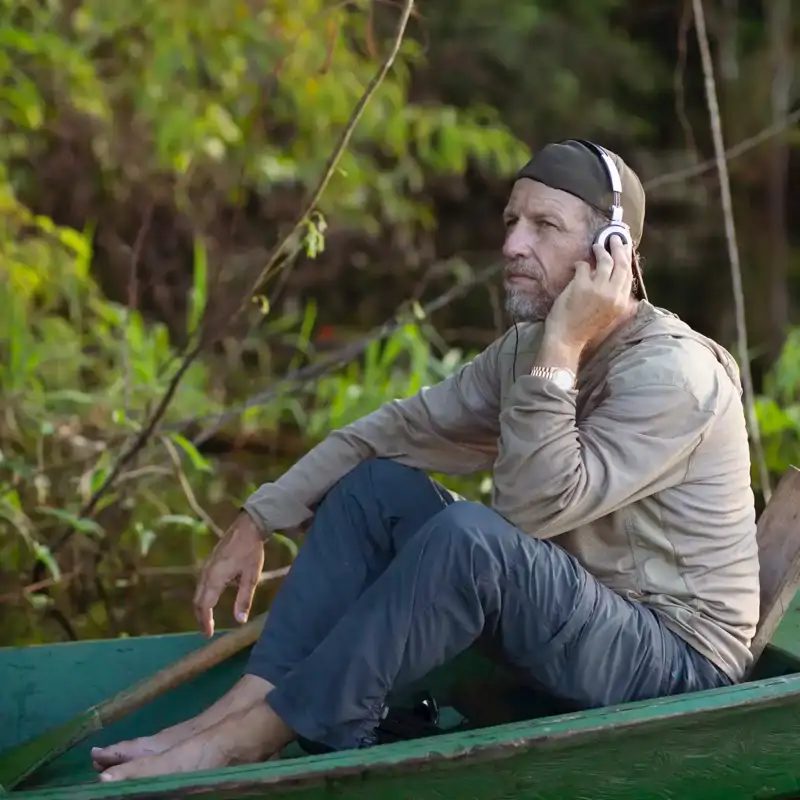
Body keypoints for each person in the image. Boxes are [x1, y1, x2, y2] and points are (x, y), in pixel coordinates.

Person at [91, 139, 760, 782]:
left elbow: (527, 511)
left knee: (474, 540)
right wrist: (258, 518)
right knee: (376, 488)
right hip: (577, 619)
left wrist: (560, 349)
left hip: (675, 660)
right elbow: (392, 431)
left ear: (611, 251)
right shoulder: (523, 351)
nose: (511, 245)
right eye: (511, 222)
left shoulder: (673, 374)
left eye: (543, 226)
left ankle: (254, 740)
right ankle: (236, 713)